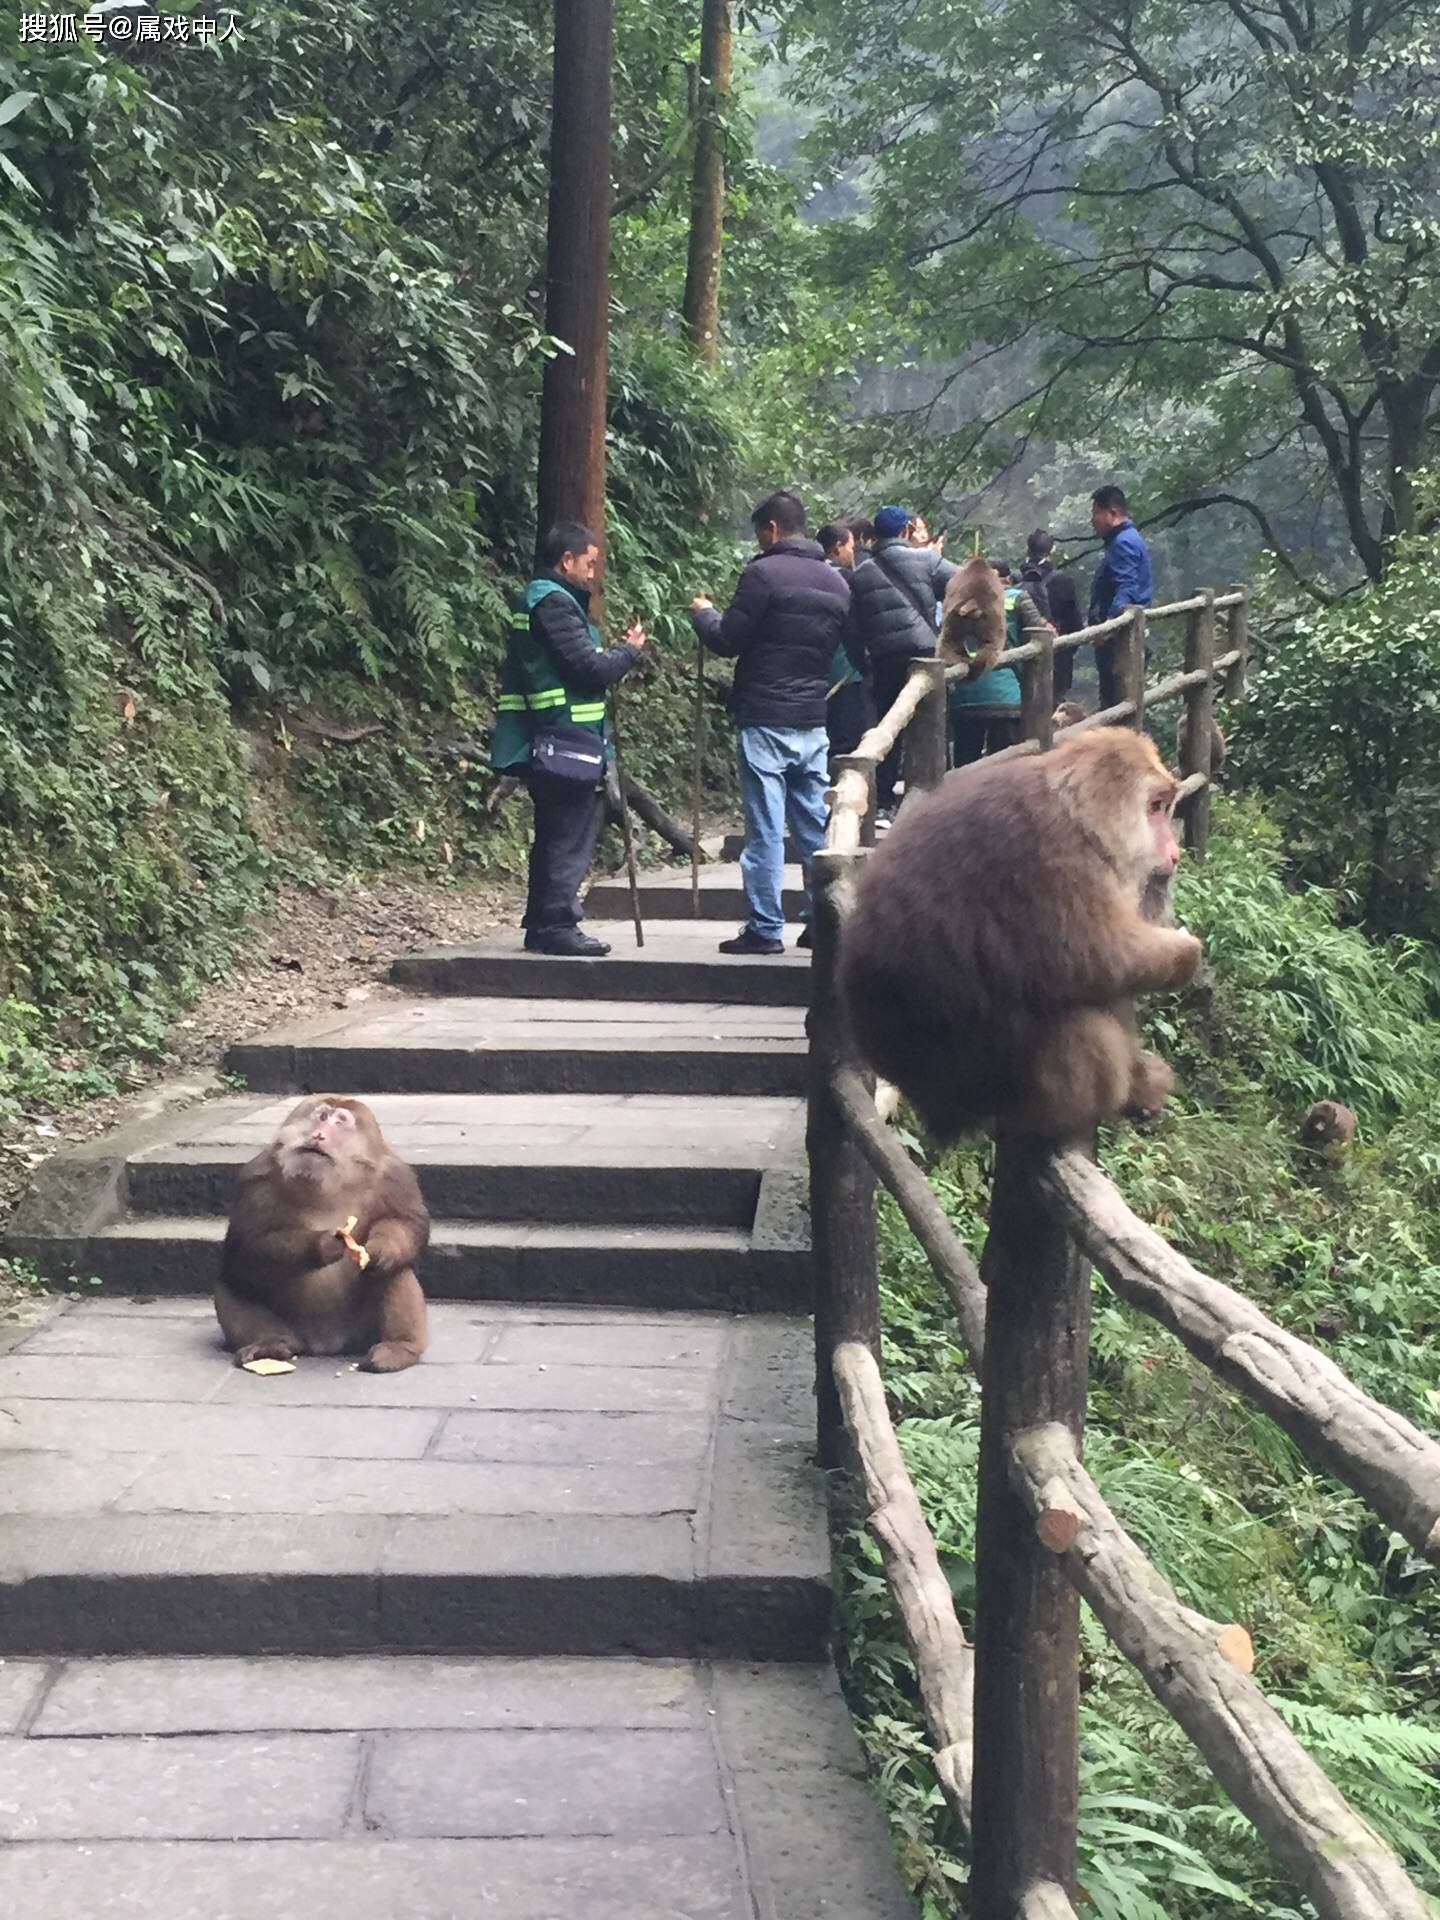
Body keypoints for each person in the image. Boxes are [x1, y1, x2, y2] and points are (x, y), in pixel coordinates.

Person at [691, 490, 850, 955]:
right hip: (812, 719)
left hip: (765, 716)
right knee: (813, 828)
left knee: (764, 828)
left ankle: (764, 926)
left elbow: (727, 638)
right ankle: (823, 921)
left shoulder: (762, 574)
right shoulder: (838, 583)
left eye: (761, 533)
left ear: (773, 529)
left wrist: (704, 615)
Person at [490, 521, 645, 957]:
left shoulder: (548, 601)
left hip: (558, 734)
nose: (593, 575)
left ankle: (542, 921)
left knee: (555, 831)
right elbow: (588, 669)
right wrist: (628, 652)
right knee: (569, 834)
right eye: (589, 564)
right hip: (564, 736)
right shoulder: (553, 602)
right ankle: (558, 922)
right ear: (567, 560)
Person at [843, 504, 956, 819]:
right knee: (933, 725)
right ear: (906, 529)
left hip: (885, 659)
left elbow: (851, 629)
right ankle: (936, 800)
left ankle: (881, 805)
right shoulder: (928, 560)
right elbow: (966, 583)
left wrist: (863, 665)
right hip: (926, 655)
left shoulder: (861, 574)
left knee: (887, 729)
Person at [948, 565, 1049, 766]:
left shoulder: (957, 600)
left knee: (965, 767)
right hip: (1006, 693)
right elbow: (1039, 635)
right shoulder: (1017, 597)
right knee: (1006, 766)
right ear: (1007, 579)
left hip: (965, 694)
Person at [1088, 485, 1153, 709]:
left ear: (1113, 513)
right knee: (1118, 702)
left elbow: (1127, 587)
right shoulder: (1124, 539)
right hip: (1122, 635)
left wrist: (1109, 626)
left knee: (1116, 702)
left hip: (1119, 640)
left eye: (1096, 512)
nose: (1092, 520)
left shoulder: (1123, 542)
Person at [817, 519, 876, 760]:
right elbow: (854, 627)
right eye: (851, 547)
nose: (853, 553)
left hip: (811, 672)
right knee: (849, 740)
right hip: (845, 670)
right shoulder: (845, 579)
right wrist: (864, 664)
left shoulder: (809, 573)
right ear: (839, 547)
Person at [1021, 528, 1083, 695]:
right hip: (1057, 659)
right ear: (1052, 551)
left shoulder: (1016, 580)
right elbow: (1075, 624)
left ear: (1027, 550)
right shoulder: (1064, 581)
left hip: (1022, 660)